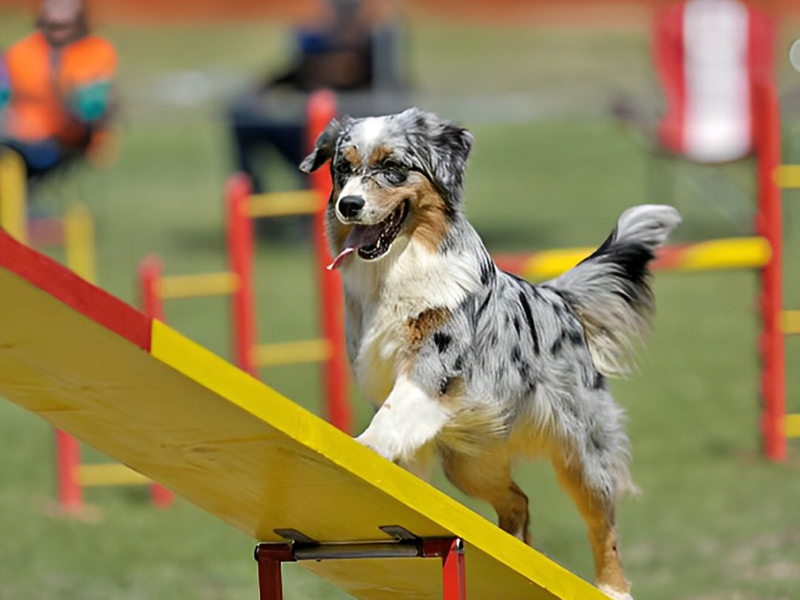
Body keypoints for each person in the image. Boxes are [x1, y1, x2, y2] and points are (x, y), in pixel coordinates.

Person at [229, 0, 406, 196]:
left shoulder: (375, 47)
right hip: (312, 139)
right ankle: (251, 198)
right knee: (242, 115)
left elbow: (391, 98)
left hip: (352, 146)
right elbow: (289, 75)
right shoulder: (320, 43)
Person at [0, 0, 117, 180]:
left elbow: (91, 108)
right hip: (18, 137)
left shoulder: (96, 51)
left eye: (66, 7)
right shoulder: (21, 52)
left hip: (66, 141)